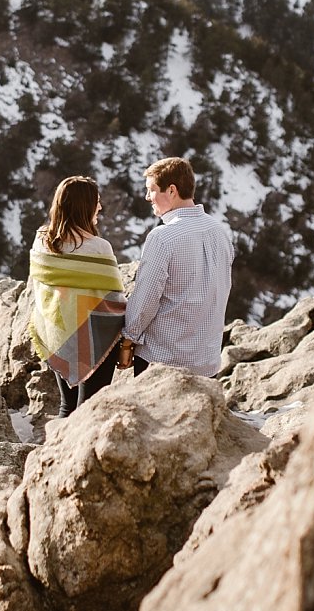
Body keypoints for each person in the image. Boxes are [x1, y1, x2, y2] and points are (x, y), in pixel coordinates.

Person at [118, 157, 233, 378]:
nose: (147, 197)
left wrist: (128, 338)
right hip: (206, 362)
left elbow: (146, 298)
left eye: (151, 190)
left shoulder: (163, 237)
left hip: (163, 360)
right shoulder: (220, 233)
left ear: (171, 191)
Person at [27, 175, 127, 416]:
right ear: (86, 206)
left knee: (67, 406)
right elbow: (113, 297)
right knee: (89, 408)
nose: (100, 207)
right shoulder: (98, 247)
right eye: (97, 202)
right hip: (94, 335)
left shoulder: (43, 241)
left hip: (56, 331)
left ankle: (55, 453)